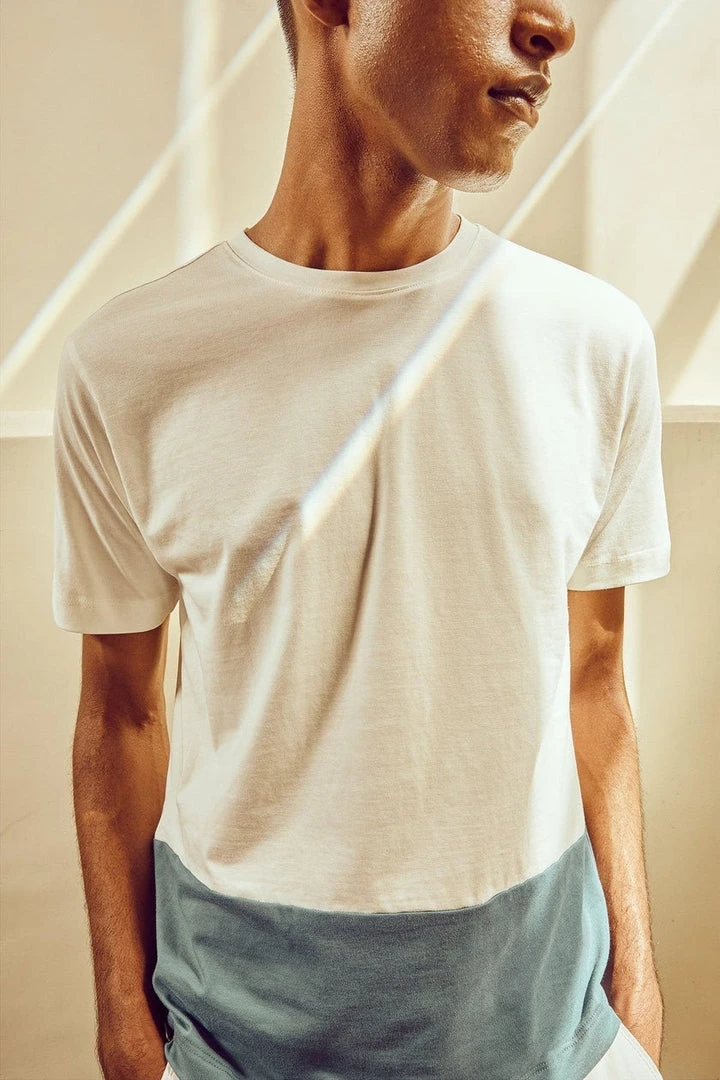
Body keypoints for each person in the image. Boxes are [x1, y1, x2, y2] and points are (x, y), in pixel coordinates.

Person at [52, 0, 673, 1078]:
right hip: (230, 1040)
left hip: (548, 1034)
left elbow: (596, 677)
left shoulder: (595, 344)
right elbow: (122, 709)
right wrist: (125, 1026)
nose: (555, 26)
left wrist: (638, 986)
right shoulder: (131, 364)